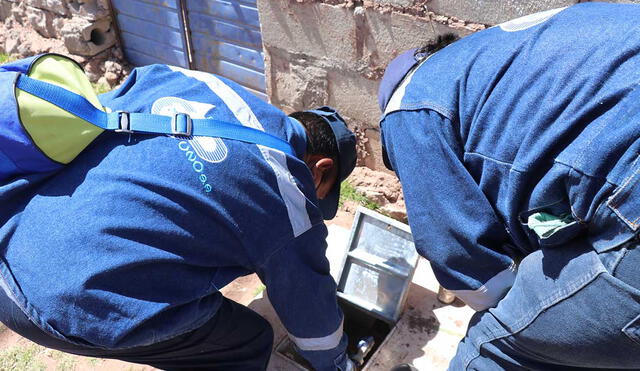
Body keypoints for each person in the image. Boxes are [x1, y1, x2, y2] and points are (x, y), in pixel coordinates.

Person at [0, 62, 357, 370]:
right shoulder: (288, 195)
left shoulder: (197, 82)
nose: (313, 202)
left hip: (11, 234)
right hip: (51, 303)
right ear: (319, 171)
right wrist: (338, 362)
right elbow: (312, 314)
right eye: (320, 195)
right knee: (246, 342)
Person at [378, 2, 640, 369]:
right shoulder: (497, 59)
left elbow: (466, 265)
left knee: (492, 346)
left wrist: (511, 302)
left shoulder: (408, 106)